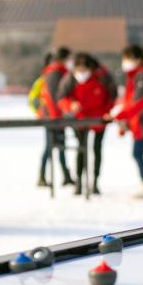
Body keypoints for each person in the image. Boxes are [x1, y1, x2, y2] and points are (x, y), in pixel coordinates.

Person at [58, 53, 116, 194]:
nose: (81, 74)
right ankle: (79, 182)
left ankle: (95, 182)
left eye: (84, 71)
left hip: (99, 119)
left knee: (97, 150)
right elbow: (61, 98)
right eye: (78, 70)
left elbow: (112, 96)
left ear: (90, 69)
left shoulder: (103, 77)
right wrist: (70, 105)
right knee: (81, 149)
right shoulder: (70, 78)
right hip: (80, 119)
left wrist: (106, 112)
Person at [111, 44, 143, 199]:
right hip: (139, 121)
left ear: (137, 59)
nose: (125, 62)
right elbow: (130, 100)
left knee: (137, 153)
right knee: (137, 154)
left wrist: (121, 115)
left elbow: (138, 101)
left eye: (127, 59)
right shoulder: (136, 76)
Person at [35, 47, 75, 187]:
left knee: (60, 146)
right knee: (50, 146)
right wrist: (58, 114)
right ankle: (42, 176)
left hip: (56, 116)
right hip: (53, 116)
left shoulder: (57, 71)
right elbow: (53, 96)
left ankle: (65, 175)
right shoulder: (55, 72)